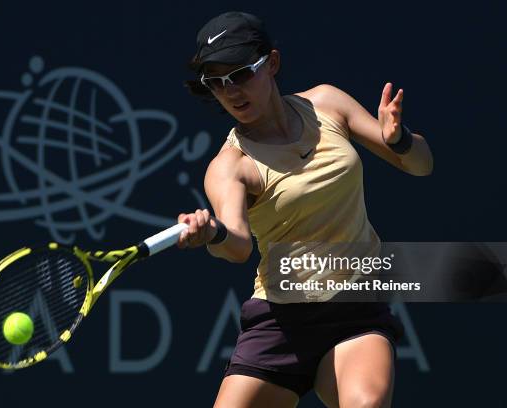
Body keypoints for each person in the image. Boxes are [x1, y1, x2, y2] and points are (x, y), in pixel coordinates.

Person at [177, 11, 433, 408]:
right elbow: (238, 246)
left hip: (355, 306)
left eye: (241, 73)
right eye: (217, 82)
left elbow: (421, 165)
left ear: (272, 63)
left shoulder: (328, 105)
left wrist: (397, 140)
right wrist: (212, 234)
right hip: (279, 323)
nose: (231, 91)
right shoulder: (229, 167)